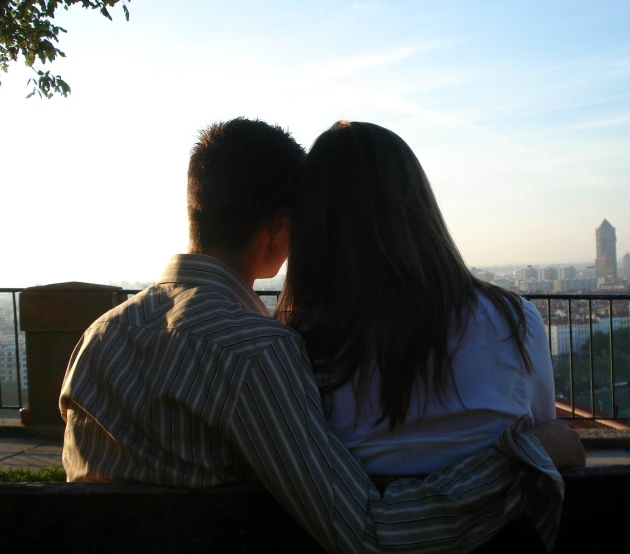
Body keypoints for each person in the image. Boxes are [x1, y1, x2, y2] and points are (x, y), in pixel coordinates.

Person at [59, 118, 584, 554]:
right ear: (279, 225)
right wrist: (526, 454)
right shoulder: (256, 355)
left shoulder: (97, 339)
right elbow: (367, 533)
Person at [277, 120, 569, 477]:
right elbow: (542, 443)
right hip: (496, 530)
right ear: (417, 205)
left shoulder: (297, 343)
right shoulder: (514, 321)